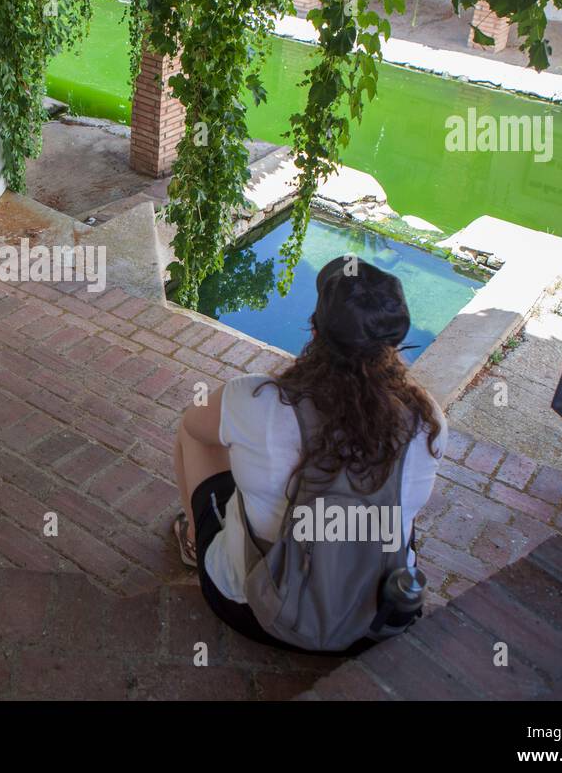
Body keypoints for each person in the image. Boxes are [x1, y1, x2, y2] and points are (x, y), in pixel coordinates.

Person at [171, 255, 446, 653]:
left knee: (196, 435)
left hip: (253, 609)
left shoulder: (255, 399)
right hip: (374, 620)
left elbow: (194, 427)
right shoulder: (426, 418)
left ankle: (196, 543)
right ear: (394, 344)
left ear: (315, 331)